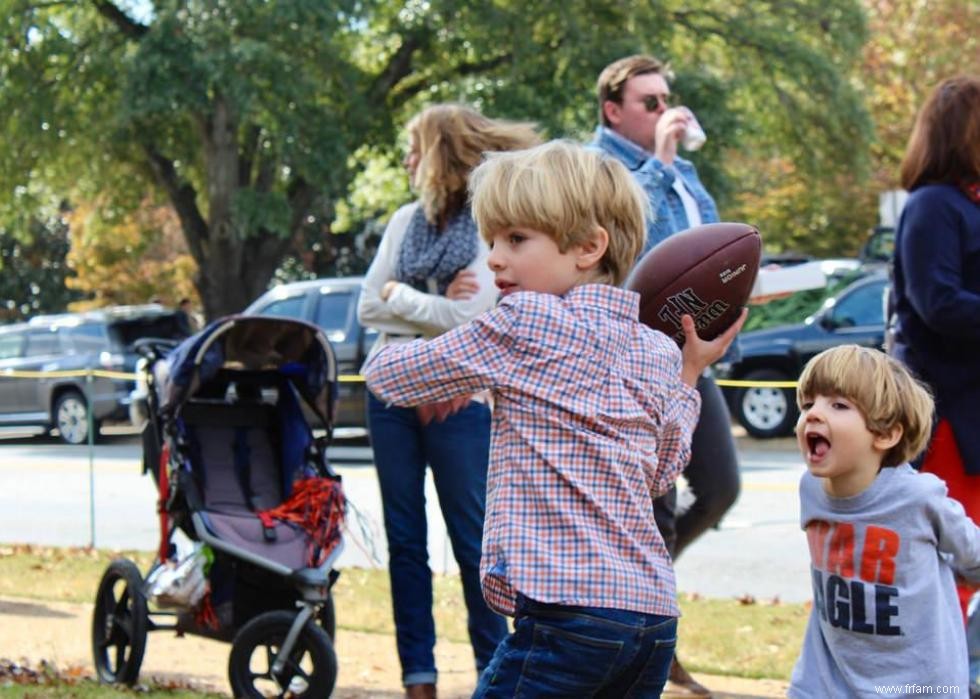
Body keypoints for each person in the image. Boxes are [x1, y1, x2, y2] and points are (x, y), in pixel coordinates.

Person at [363, 140, 746, 697]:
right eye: (493, 239)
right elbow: (661, 475)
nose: (493, 257)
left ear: (589, 246)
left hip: (567, 621)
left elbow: (389, 376)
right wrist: (690, 374)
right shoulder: (655, 349)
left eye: (516, 239)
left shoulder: (524, 322)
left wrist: (433, 323)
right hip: (651, 620)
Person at [357, 103, 540, 699]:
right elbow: (367, 306)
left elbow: (471, 316)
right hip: (389, 390)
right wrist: (431, 298)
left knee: (473, 540)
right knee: (404, 539)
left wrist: (405, 296)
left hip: (459, 396)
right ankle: (419, 676)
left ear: (439, 153)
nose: (407, 161)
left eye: (414, 149)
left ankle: (496, 673)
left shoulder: (489, 224)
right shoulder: (404, 221)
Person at [591, 53, 740, 694]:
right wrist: (660, 163)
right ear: (613, 110)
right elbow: (627, 239)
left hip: (689, 358)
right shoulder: (599, 168)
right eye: (648, 102)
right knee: (657, 516)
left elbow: (713, 239)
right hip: (631, 365)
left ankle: (636, 602)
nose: (662, 111)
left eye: (664, 100)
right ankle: (650, 651)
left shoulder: (681, 170)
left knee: (720, 488)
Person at [787, 344, 980, 696]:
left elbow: (974, 554)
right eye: (808, 403)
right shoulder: (810, 489)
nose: (813, 414)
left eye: (839, 405)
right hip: (826, 679)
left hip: (919, 683)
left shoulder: (918, 498)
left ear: (886, 434)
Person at [889, 75, 980, 620]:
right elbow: (937, 302)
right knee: (949, 552)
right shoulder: (933, 206)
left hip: (971, 405)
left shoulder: (967, 204)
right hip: (945, 410)